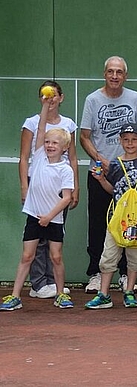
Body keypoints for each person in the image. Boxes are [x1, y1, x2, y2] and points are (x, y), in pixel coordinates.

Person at [80, 56, 137, 294]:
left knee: (130, 222)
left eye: (119, 72)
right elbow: (84, 136)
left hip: (130, 178)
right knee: (99, 223)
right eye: (111, 71)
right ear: (104, 74)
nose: (115, 76)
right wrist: (101, 159)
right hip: (101, 172)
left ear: (125, 76)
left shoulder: (135, 98)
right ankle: (96, 274)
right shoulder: (92, 99)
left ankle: (124, 275)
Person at [1, 96, 75, 311]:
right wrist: (45, 105)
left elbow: (67, 198)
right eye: (47, 142)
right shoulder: (40, 156)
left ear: (64, 148)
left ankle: (61, 294)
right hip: (35, 216)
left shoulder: (65, 170)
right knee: (26, 256)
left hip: (53, 218)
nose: (50, 145)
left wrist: (49, 216)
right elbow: (41, 128)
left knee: (56, 257)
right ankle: (15, 296)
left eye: (55, 143)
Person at [85, 123, 137, 309]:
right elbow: (112, 189)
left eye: (134, 139)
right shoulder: (115, 164)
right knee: (108, 255)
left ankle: (129, 291)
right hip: (118, 218)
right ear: (120, 141)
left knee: (136, 258)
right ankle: (104, 294)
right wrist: (101, 180)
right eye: (126, 140)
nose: (130, 143)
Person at [18, 81, 77, 299]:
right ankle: (38, 283)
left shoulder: (68, 125)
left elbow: (72, 158)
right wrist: (25, 186)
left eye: (54, 95)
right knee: (36, 239)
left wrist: (75, 187)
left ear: (61, 97)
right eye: (46, 95)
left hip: (60, 185)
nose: (51, 99)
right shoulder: (33, 123)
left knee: (55, 237)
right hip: (38, 182)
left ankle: (53, 283)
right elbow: (24, 158)